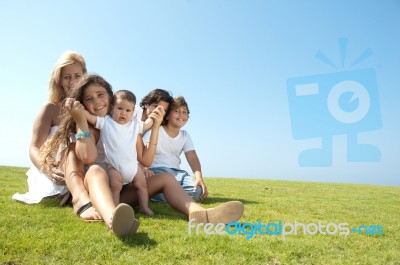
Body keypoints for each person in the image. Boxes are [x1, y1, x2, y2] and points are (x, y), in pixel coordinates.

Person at [41, 74, 244, 236]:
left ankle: (198, 213)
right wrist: (81, 121)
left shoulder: (128, 127)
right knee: (96, 170)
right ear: (83, 104)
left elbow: (145, 160)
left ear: (111, 98)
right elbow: (87, 158)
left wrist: (155, 127)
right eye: (89, 98)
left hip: (122, 192)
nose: (97, 101)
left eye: (101, 95)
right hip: (97, 194)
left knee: (165, 177)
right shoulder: (88, 125)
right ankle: (114, 220)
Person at [83, 89, 158, 216]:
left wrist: (154, 116)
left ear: (133, 112)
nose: (123, 113)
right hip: (114, 167)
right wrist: (80, 111)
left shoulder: (135, 124)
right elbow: (90, 118)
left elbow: (147, 125)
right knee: (115, 187)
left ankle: (144, 207)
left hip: (133, 167)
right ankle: (115, 209)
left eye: (128, 110)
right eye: (120, 108)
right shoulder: (106, 122)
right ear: (112, 108)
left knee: (142, 185)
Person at [143, 96, 208, 202]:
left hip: (178, 173)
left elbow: (192, 157)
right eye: (177, 111)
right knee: (161, 189)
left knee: (198, 191)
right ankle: (173, 196)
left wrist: (199, 177)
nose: (181, 114)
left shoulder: (185, 135)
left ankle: (167, 195)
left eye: (184, 112)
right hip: (156, 172)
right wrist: (144, 168)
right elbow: (139, 149)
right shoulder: (156, 130)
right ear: (167, 115)